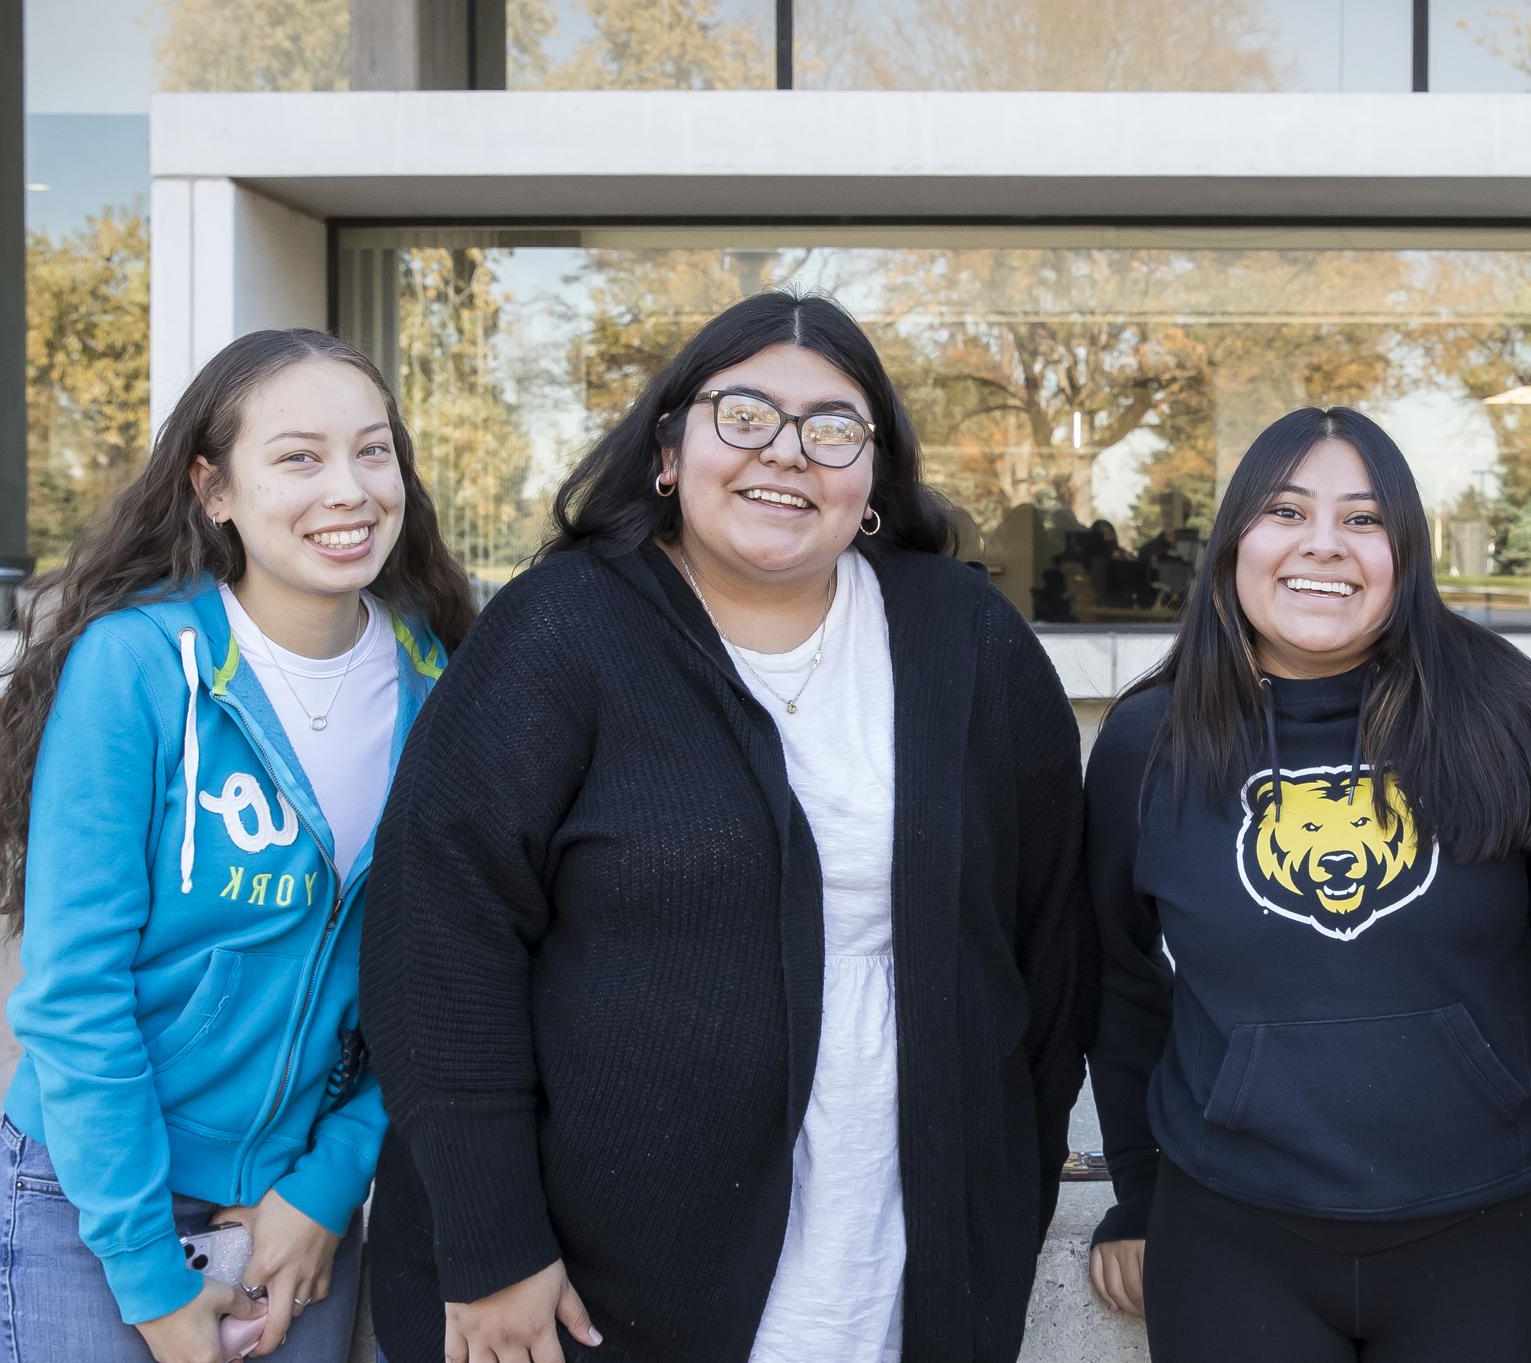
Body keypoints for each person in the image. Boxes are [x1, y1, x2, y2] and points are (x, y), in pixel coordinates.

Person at [359, 291, 1095, 1363]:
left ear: (875, 478)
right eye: (744, 415)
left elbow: (1051, 951)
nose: (788, 454)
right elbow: (439, 946)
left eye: (833, 429)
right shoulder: (562, 630)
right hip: (597, 1287)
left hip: (895, 1260)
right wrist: (492, 1241)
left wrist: (1003, 1208)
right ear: (670, 447)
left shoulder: (966, 638)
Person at [0, 328, 477, 1363]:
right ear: (213, 487)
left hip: (293, 1210)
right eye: (298, 457)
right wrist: (147, 1272)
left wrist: (324, 1189)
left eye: (374, 452)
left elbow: (436, 981)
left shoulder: (439, 681)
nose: (351, 489)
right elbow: (75, 991)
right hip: (92, 1207)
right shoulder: (137, 667)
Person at [1084, 407, 1531, 1362]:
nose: (1324, 547)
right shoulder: (1151, 742)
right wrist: (1137, 1190)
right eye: (1287, 512)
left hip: (1479, 1228)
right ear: (1234, 543)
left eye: (1364, 519)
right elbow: (1112, 975)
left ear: (1405, 549)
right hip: (1229, 1231)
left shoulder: (1515, 721)